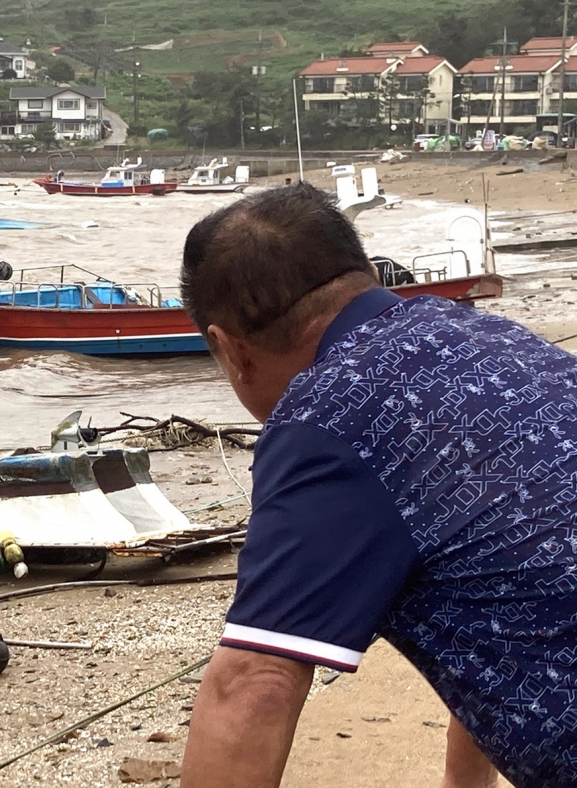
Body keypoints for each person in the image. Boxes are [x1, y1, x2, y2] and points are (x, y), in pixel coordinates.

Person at [176, 183, 577, 788]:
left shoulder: (326, 420)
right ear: (364, 274)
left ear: (230, 349)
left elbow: (254, 682)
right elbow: (501, 596)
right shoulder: (503, 344)